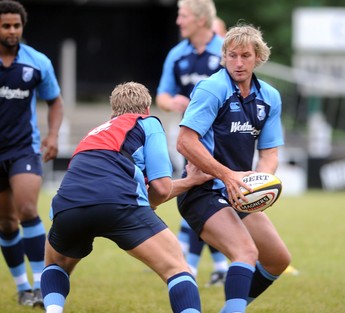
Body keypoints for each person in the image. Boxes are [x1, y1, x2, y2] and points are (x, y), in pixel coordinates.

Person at [40, 81, 210, 313]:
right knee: (177, 267)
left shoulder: (95, 133)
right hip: (119, 202)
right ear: (147, 108)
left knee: (56, 264)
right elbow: (161, 187)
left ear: (113, 110)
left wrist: (189, 182)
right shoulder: (147, 123)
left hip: (68, 205)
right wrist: (154, 202)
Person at [176, 23, 292, 312]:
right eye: (232, 56)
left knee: (278, 259)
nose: (238, 63)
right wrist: (226, 175)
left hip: (239, 192)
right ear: (224, 57)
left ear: (258, 58)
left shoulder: (269, 97)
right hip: (201, 190)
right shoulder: (212, 88)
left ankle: (232, 307)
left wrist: (263, 180)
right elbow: (185, 142)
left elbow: (269, 152)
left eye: (245, 56)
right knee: (245, 252)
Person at [156, 0, 229, 286]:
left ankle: (206, 265)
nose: (178, 21)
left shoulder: (226, 52)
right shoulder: (177, 54)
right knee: (201, 194)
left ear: (200, 20)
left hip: (225, 138)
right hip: (191, 139)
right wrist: (171, 101)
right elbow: (161, 95)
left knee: (209, 196)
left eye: (183, 15)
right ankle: (210, 266)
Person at [0, 0, 64, 308]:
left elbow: (55, 101)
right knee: (6, 223)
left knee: (27, 209)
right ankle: (22, 286)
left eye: (16, 25)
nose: (12, 31)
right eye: (6, 26)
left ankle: (41, 285)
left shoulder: (37, 62)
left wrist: (52, 135)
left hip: (24, 147)